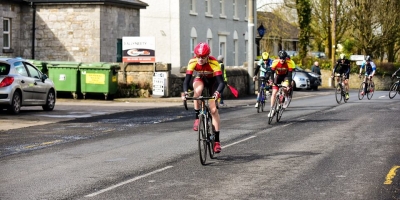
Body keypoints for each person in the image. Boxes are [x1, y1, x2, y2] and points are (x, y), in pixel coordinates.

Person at [181, 42, 225, 153]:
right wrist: (185, 92)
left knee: (214, 110)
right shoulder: (192, 61)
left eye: (203, 57)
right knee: (198, 91)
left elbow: (221, 83)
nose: (200, 59)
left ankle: (216, 142)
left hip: (213, 83)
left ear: (207, 56)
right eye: (198, 56)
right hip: (200, 78)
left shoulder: (214, 63)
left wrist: (217, 93)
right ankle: (197, 117)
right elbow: (186, 80)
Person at [268, 50, 295, 117]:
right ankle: (271, 110)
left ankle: (286, 97)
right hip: (278, 76)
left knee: (284, 87)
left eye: (283, 58)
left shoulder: (289, 63)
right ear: (278, 58)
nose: (282, 60)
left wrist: (288, 85)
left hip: (285, 76)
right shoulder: (275, 62)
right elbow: (271, 72)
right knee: (274, 93)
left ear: (286, 58)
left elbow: (289, 75)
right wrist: (272, 81)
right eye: (280, 58)